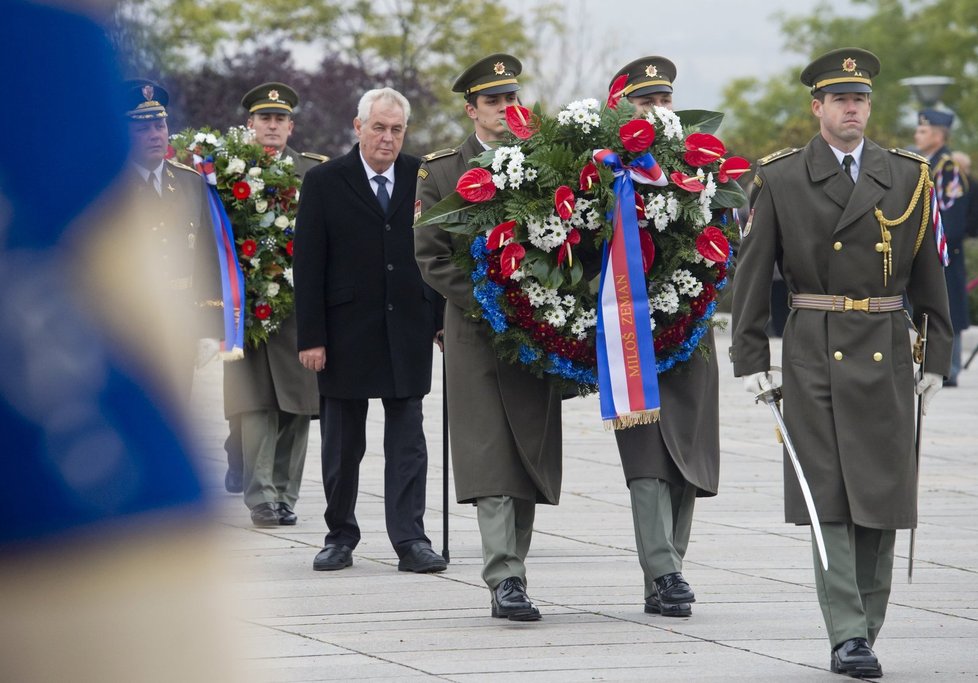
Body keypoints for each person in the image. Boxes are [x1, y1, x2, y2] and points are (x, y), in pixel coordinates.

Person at [730, 48, 952, 678]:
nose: (853, 108)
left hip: (885, 339)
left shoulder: (908, 175)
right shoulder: (781, 178)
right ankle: (847, 633)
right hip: (813, 346)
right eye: (841, 99)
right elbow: (754, 275)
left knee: (882, 497)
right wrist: (751, 354)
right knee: (828, 494)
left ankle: (866, 628)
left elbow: (930, 273)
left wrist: (936, 353)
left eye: (861, 99)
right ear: (817, 107)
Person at [415, 54, 562, 621]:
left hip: (535, 331)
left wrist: (543, 305)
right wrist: (495, 305)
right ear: (472, 109)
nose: (505, 109)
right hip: (475, 330)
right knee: (488, 452)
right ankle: (505, 577)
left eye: (511, 99)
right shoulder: (443, 171)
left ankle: (514, 567)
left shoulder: (547, 162)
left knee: (527, 450)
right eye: (493, 101)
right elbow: (430, 256)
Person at [294, 87, 446, 574]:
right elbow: (309, 263)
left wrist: (441, 322)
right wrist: (311, 337)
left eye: (396, 129)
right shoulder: (323, 181)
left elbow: (441, 252)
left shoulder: (422, 176)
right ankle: (340, 535)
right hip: (344, 332)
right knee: (343, 444)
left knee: (408, 443)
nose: (387, 138)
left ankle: (411, 539)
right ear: (357, 127)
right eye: (378, 127)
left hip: (408, 328)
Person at [606, 57, 720, 618]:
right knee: (647, 452)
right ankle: (665, 570)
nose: (658, 111)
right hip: (629, 329)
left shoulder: (702, 167)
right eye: (645, 102)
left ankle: (667, 568)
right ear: (620, 111)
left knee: (687, 456)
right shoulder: (602, 169)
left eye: (664, 101)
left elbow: (730, 241)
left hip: (691, 324)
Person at [222, 83, 325, 529]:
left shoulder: (314, 172)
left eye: (280, 119)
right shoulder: (229, 171)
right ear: (251, 125)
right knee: (256, 402)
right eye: (265, 119)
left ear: (291, 127)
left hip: (300, 306)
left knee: (298, 407)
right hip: (249, 306)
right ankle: (261, 497)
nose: (272, 126)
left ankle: (285, 494)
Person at [123, 78, 224, 399]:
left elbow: (207, 254)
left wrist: (208, 325)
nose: (155, 135)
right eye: (143, 129)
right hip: (127, 327)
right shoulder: (110, 189)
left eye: (160, 125)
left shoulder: (189, 183)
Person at [913, 110, 971, 386]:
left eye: (923, 131)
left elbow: (952, 219)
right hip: (929, 252)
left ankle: (949, 366)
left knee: (949, 309)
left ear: (938, 135)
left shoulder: (948, 169)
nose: (917, 135)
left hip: (944, 253)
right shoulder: (927, 164)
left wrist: (934, 249)